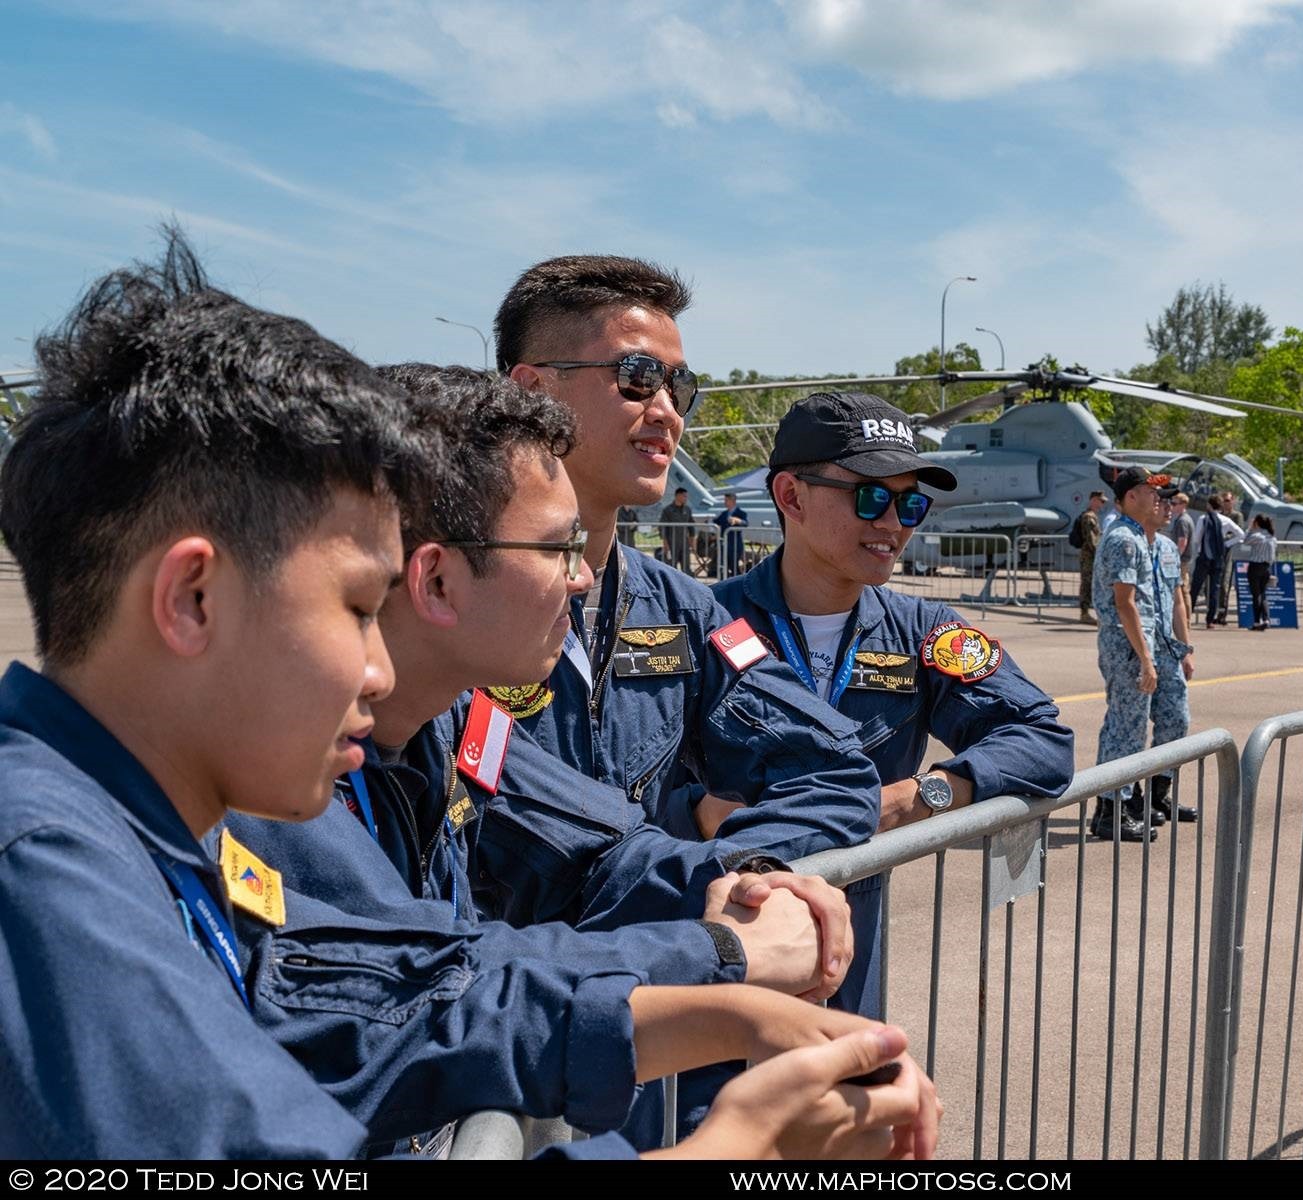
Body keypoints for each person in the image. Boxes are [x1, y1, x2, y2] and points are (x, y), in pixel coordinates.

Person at [0, 233, 925, 1161]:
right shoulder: (49, 872)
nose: (378, 666)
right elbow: (393, 1026)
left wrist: (721, 946)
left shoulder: (142, 824)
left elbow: (426, 983)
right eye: (360, 605)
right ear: (192, 599)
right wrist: (735, 1144)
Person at [698, 391, 1075, 1016]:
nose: (895, 523)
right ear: (791, 497)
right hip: (720, 940)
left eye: (912, 503)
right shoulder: (702, 622)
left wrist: (910, 799)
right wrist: (710, 814)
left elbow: (1041, 738)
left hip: (848, 950)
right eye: (872, 497)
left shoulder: (924, 631)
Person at [494, 254, 880, 864]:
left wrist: (731, 871)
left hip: (654, 956)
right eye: (638, 376)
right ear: (532, 391)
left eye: (679, 386)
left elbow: (837, 775)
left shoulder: (684, 611)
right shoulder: (444, 605)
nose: (668, 410)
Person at [1090, 468, 1198, 841]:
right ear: (1130, 497)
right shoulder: (1123, 538)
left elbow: (1170, 603)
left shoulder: (1147, 540)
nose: (1159, 500)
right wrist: (1147, 661)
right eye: (1150, 493)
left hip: (1154, 646)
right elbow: (1126, 605)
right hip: (1128, 649)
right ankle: (1111, 809)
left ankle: (1145, 798)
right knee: (1126, 728)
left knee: (1172, 719)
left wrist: (1181, 649)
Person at [1190, 493, 1244, 628]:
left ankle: (1187, 616)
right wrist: (1227, 544)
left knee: (1196, 587)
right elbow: (1241, 534)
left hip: (1203, 557)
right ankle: (1210, 620)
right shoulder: (1226, 520)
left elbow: (1197, 538)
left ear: (1209, 505)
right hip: (1218, 558)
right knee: (1215, 589)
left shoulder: (1203, 519)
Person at [1242, 514, 1277, 630]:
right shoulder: (1272, 537)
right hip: (1266, 567)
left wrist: (1250, 528)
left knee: (1256, 595)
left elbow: (1245, 541)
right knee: (1263, 595)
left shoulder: (1257, 536)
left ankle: (1257, 621)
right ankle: (1266, 619)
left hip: (1255, 566)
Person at [1076, 491, 1105, 625]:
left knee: (1092, 584)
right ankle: (1084, 613)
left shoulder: (1093, 516)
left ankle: (1087, 612)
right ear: (1093, 500)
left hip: (1091, 556)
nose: (1102, 504)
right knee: (1087, 584)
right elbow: (1091, 540)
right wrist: (1100, 554)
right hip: (1089, 556)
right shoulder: (1088, 517)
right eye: (1101, 501)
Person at [1165, 491, 1198, 594]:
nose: (1172, 506)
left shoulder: (1182, 521)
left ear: (1183, 505)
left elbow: (1182, 541)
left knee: (1182, 589)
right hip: (1185, 558)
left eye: (1174, 504)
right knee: (1184, 587)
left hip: (1182, 559)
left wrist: (1175, 558)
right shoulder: (1185, 518)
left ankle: (1186, 610)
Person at [662, 485, 695, 573]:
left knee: (686, 567)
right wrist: (665, 544)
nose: (686, 498)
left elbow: (691, 526)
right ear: (678, 495)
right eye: (684, 496)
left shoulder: (687, 510)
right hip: (672, 542)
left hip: (684, 543)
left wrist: (692, 541)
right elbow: (662, 528)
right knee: (671, 567)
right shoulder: (668, 510)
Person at [715, 491, 748, 577]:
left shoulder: (741, 513)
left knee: (734, 566)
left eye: (726, 500)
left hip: (735, 545)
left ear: (732, 501)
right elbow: (716, 522)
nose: (724, 502)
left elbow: (745, 523)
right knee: (724, 566)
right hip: (724, 544)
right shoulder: (724, 514)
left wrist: (738, 520)